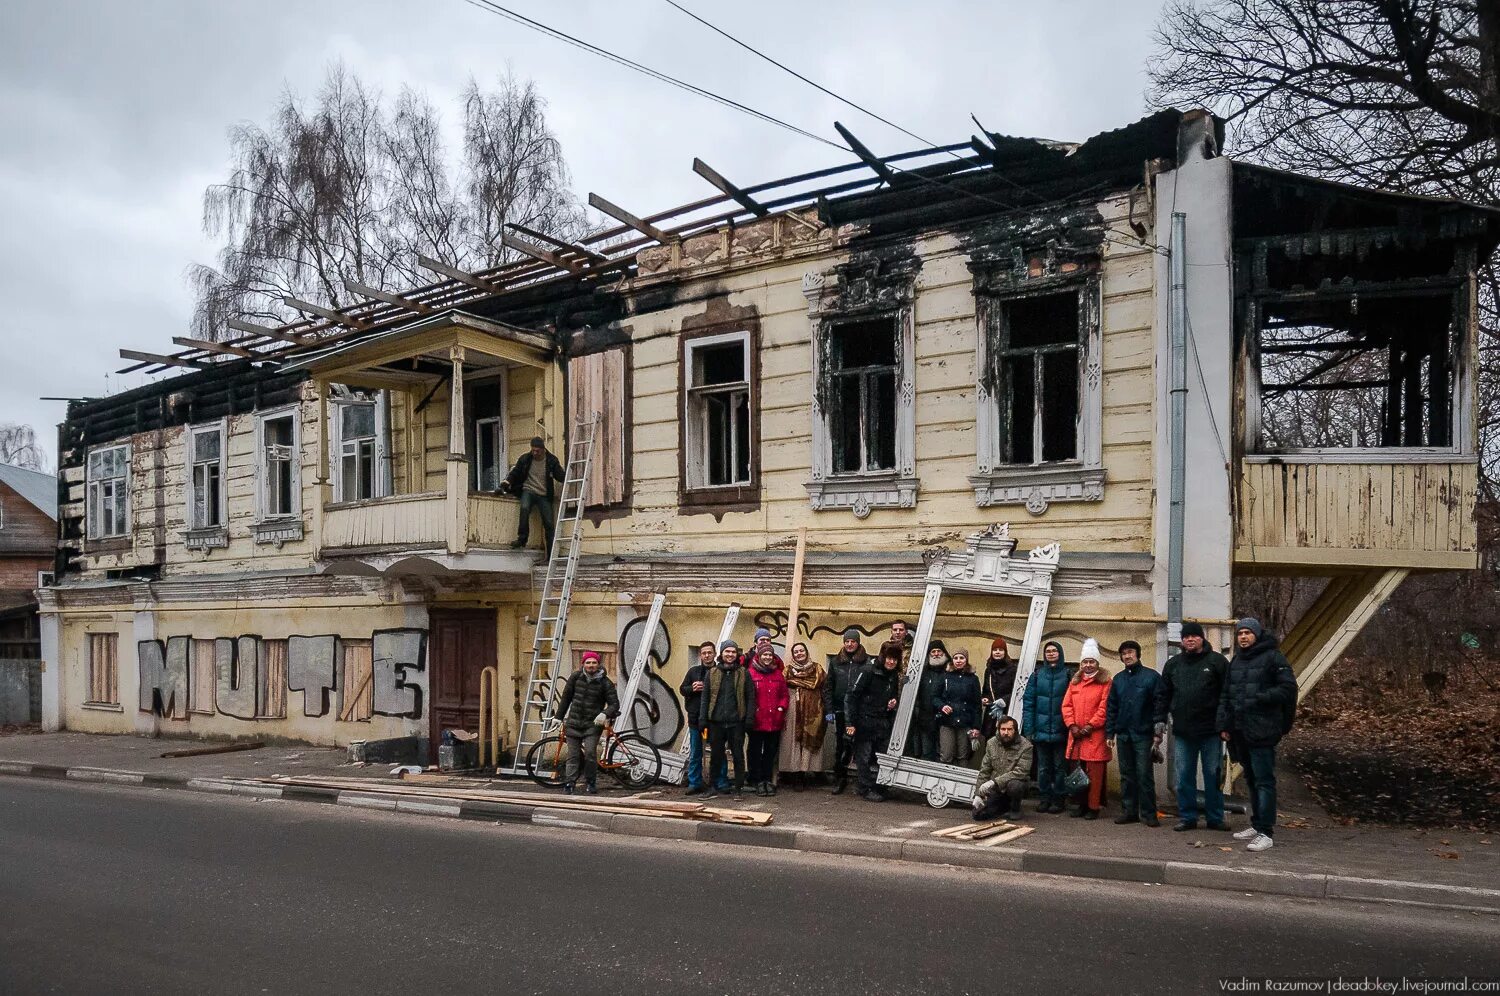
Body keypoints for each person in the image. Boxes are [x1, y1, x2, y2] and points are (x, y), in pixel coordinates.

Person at [1217, 617, 1297, 853]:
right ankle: (1256, 824)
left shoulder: (1273, 658)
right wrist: (1224, 724)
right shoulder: (1236, 661)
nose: (1243, 637)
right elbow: (1226, 695)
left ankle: (1266, 831)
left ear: (1257, 635)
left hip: (1263, 729)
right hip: (1240, 730)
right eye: (1240, 633)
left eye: (1247, 633)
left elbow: (1288, 688)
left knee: (1264, 781)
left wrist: (1263, 697)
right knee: (1251, 779)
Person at [1162, 622, 1230, 832]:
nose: (1190, 640)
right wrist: (1161, 720)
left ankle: (1215, 817)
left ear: (1202, 638)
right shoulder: (1173, 665)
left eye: (1194, 636)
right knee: (1183, 777)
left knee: (1212, 775)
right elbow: (1164, 695)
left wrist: (1225, 724)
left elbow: (1227, 695)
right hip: (1183, 731)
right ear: (1182, 641)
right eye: (1186, 637)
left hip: (1211, 731)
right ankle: (1188, 817)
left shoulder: (1217, 662)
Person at [1104, 640, 1168, 827]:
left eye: (1130, 652)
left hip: (1143, 734)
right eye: (1124, 653)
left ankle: (1149, 814)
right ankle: (1129, 811)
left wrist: (1158, 732)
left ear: (1138, 654)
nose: (1127, 656)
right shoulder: (1118, 679)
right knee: (1127, 775)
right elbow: (1112, 707)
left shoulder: (1151, 677)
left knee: (1144, 775)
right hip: (1123, 734)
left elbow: (1160, 705)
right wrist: (1110, 733)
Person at [553, 651, 620, 794]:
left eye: (594, 662)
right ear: (583, 664)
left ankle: (591, 782)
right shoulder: (575, 678)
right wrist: (558, 717)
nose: (591, 665)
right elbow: (566, 699)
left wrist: (604, 713)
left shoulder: (605, 682)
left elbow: (614, 704)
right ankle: (570, 783)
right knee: (573, 756)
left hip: (592, 725)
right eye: (588, 662)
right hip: (574, 723)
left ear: (598, 664)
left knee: (590, 754)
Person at [845, 640, 902, 802]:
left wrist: (893, 702)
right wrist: (850, 723)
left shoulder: (892, 676)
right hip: (864, 722)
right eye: (889, 658)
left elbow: (891, 695)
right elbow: (851, 697)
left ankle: (878, 787)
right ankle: (865, 788)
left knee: (881, 757)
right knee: (863, 757)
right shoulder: (868, 671)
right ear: (883, 657)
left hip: (882, 722)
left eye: (895, 659)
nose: (891, 662)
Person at [1061, 639, 1111, 819]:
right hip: (1076, 735)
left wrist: (1090, 725)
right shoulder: (1075, 682)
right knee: (1078, 771)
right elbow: (1066, 705)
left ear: (1097, 663)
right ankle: (1081, 804)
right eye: (1085, 662)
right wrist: (1072, 725)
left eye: (1091, 662)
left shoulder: (1105, 682)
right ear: (1081, 664)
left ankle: (1093, 806)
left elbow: (1105, 708)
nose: (1088, 665)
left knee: (1094, 773)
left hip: (1094, 735)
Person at [698, 640, 754, 800]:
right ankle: (712, 787)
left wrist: (749, 718)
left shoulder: (744, 673)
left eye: (733, 652)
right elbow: (705, 697)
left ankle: (738, 789)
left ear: (737, 654)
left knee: (738, 756)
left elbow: (750, 697)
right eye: (727, 651)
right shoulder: (712, 673)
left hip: (737, 722)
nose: (730, 655)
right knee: (715, 756)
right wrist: (703, 719)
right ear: (721, 654)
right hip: (715, 722)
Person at [1023, 640, 1073, 813]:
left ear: (1060, 653)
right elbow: (1028, 703)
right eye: (1048, 651)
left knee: (1060, 768)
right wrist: (1029, 729)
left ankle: (1059, 799)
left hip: (1061, 730)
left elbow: (1073, 703)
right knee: (1043, 767)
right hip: (1041, 730)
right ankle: (1044, 798)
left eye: (1054, 651)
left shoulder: (1068, 675)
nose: (1051, 653)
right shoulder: (1037, 675)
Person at [499, 437, 565, 551]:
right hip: (528, 490)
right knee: (524, 508)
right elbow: (515, 472)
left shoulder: (551, 460)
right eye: (533, 450)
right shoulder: (525, 459)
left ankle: (551, 553)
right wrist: (506, 482)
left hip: (544, 494)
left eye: (537, 451)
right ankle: (522, 539)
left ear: (543, 449)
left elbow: (559, 475)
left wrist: (568, 475)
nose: (535, 453)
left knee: (549, 523)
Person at [823, 629, 867, 794]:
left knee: (861, 747)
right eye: (847, 641)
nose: (849, 644)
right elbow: (828, 688)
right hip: (841, 711)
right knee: (841, 746)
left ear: (858, 642)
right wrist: (829, 709)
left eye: (853, 641)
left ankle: (862, 782)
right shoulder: (835, 662)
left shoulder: (866, 662)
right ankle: (839, 778)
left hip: (860, 712)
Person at [778, 642, 828, 788]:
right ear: (793, 655)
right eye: (796, 652)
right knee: (793, 740)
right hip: (793, 709)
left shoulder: (817, 669)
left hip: (813, 711)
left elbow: (825, 688)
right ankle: (794, 774)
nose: (799, 653)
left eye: (802, 650)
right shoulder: (787, 671)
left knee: (810, 739)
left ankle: (809, 772)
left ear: (806, 652)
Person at [746, 648, 790, 796]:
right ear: (759, 656)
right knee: (755, 752)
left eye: (770, 655)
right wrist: (753, 712)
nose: (767, 657)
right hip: (757, 722)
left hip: (774, 721)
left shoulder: (777, 674)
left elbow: (784, 695)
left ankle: (767, 780)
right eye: (764, 654)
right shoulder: (751, 673)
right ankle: (756, 780)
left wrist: (780, 708)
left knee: (770, 753)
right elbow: (747, 696)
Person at [972, 716, 1033, 821]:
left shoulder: (1026, 746)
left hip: (1015, 784)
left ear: (1015, 730)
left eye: (1009, 729)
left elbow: (1021, 772)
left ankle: (1015, 808)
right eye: (1003, 729)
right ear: (998, 730)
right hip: (997, 788)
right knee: (978, 815)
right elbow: (985, 770)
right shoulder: (991, 743)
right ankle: (1004, 806)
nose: (1006, 732)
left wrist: (994, 782)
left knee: (1015, 786)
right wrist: (978, 794)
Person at [678, 641, 716, 796]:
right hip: (695, 719)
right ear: (700, 655)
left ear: (714, 654)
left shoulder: (718, 671)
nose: (707, 655)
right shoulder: (693, 671)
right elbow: (682, 689)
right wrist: (692, 689)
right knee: (695, 753)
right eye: (704, 653)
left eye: (709, 652)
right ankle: (695, 783)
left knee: (717, 752)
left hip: (714, 719)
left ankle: (718, 782)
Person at [937, 648, 982, 765]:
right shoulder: (945, 676)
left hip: (965, 722)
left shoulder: (973, 679)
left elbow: (977, 705)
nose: (958, 661)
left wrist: (976, 726)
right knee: (946, 755)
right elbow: (935, 697)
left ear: (966, 660)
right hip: (947, 721)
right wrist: (942, 706)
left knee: (963, 756)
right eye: (955, 658)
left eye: (961, 658)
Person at [909, 640, 950, 762]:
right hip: (924, 719)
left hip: (945, 720)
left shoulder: (950, 671)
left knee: (944, 754)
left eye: (939, 651)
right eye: (933, 651)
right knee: (926, 753)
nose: (936, 654)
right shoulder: (923, 672)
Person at [980, 638, 1019, 738]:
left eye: (1000, 650)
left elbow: (1017, 692)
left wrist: (1004, 700)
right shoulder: (988, 670)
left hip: (1007, 713)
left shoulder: (1013, 670)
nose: (997, 652)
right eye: (995, 650)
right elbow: (985, 690)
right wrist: (985, 699)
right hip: (991, 713)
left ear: (1005, 652)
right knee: (989, 742)